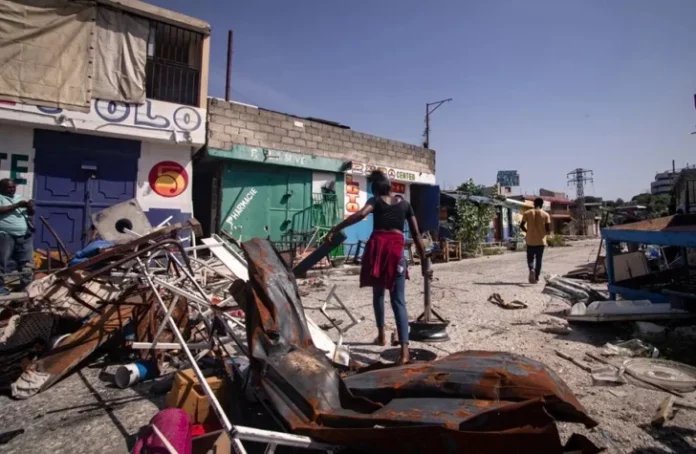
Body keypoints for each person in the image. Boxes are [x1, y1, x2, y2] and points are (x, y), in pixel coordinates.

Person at [325, 170, 430, 365]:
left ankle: (381, 335)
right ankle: (404, 352)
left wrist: (335, 228)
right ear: (390, 188)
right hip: (396, 253)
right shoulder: (405, 205)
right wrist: (424, 261)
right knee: (399, 301)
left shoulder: (375, 201)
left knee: (378, 295)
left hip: (377, 252)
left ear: (375, 191)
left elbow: (360, 215)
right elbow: (416, 234)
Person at [0, 179, 34, 294]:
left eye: (14, 187)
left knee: (27, 263)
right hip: (5, 235)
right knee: (1, 262)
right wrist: (17, 205)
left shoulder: (19, 197)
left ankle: (27, 287)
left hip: (24, 235)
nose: (12, 189)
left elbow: (30, 213)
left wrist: (30, 207)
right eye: (9, 187)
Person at [520, 197, 551, 284]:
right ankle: (536, 277)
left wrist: (528, 231)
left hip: (530, 240)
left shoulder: (527, 213)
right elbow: (548, 229)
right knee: (539, 259)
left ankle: (531, 269)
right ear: (542, 205)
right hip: (541, 241)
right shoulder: (546, 214)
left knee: (530, 258)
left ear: (534, 204)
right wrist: (544, 233)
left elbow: (521, 226)